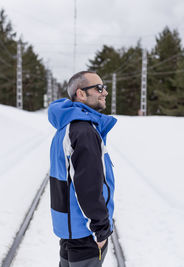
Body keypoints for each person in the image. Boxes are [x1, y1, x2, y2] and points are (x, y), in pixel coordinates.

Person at [48, 71, 117, 267]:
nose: (105, 92)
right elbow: (88, 186)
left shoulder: (66, 127)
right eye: (99, 88)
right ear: (81, 94)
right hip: (85, 232)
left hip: (70, 229)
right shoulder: (84, 131)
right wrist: (100, 227)